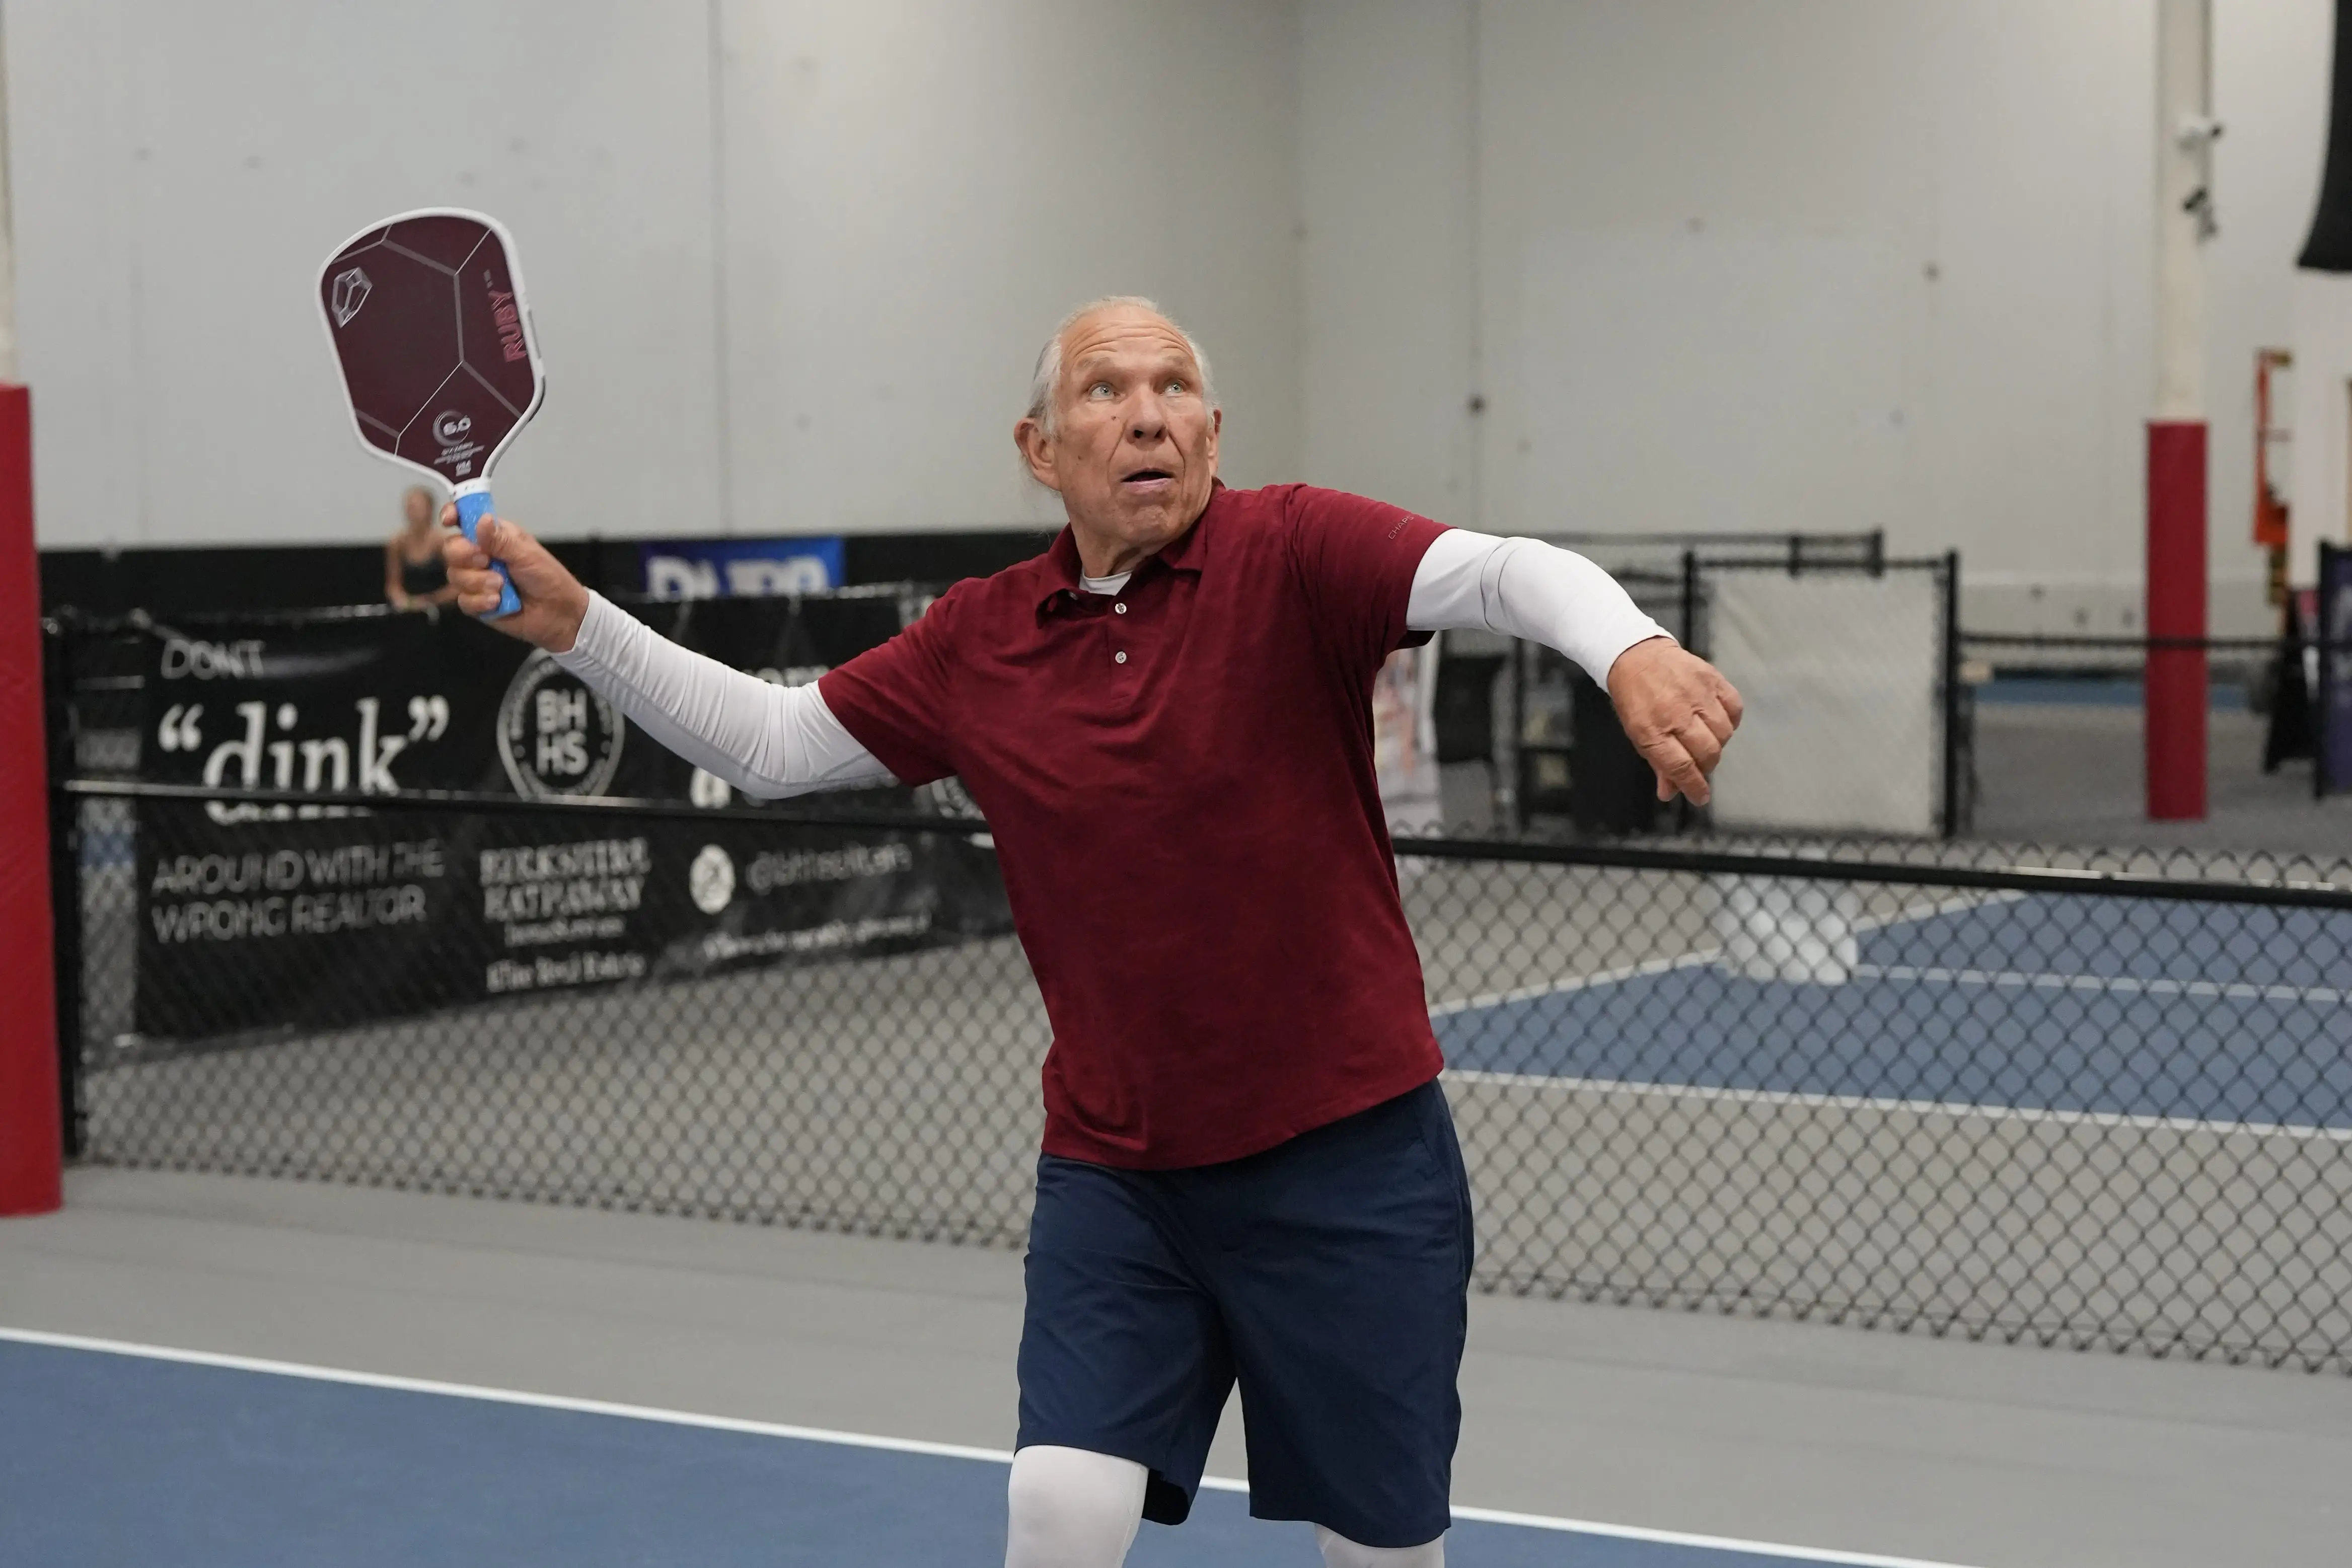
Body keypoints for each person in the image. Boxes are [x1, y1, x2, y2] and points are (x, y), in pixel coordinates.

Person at [443, 297, 1742, 1568]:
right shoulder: (977, 640)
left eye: (1175, 389)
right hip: (1122, 1175)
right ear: (1040, 449)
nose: (1148, 417)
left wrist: (1626, 649)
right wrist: (573, 627)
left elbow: (1507, 571)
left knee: (1386, 1547)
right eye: (1107, 392)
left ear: (1217, 433)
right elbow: (774, 744)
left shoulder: (1296, 552)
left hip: (1352, 1164)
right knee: (1060, 1511)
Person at [385, 484, 457, 609]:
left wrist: (431, 601)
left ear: (430, 510)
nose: (412, 513)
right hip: (410, 609)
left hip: (443, 609)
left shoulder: (442, 541)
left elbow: (456, 586)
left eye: (417, 508)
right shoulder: (398, 543)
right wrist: (403, 600)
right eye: (409, 508)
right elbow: (393, 585)